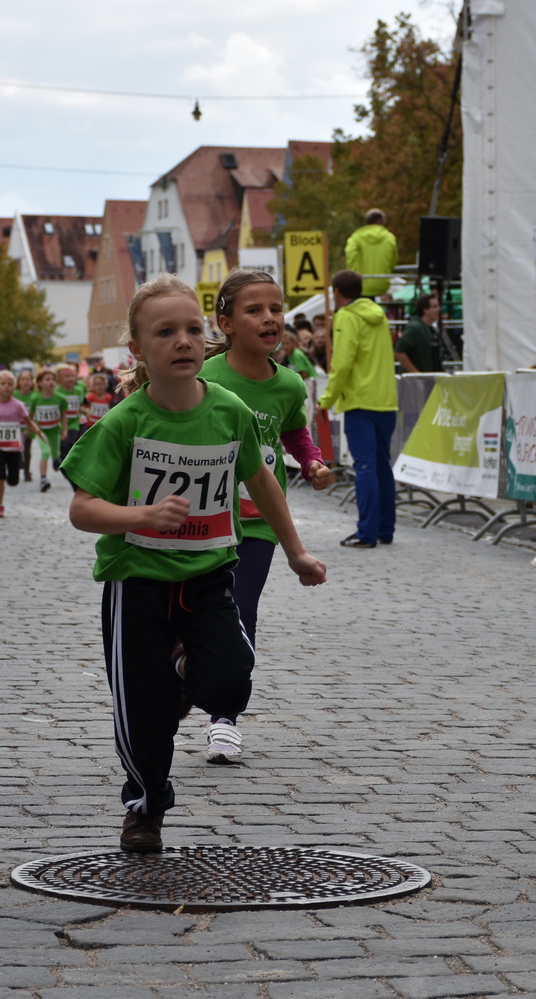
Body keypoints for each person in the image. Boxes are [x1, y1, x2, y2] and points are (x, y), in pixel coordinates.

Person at [59, 274, 327, 852]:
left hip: (208, 574)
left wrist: (296, 551)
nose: (182, 341)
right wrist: (141, 516)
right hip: (138, 580)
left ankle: (185, 672)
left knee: (230, 680)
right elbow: (82, 508)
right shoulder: (125, 422)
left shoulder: (228, 410)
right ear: (138, 350)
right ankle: (145, 806)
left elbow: (263, 480)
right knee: (143, 710)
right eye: (165, 332)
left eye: (191, 329)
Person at [200, 269, 336, 763]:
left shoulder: (290, 384)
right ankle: (184, 674)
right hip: (203, 519)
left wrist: (313, 462)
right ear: (226, 323)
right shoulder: (206, 377)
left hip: (259, 521)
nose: (270, 318)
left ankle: (225, 719)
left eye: (276, 309)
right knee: (195, 611)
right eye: (254, 310)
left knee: (242, 610)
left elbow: (295, 432)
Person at [318, 269, 399, 548]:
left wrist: (327, 399)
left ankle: (366, 533)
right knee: (382, 467)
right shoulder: (378, 314)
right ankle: (385, 530)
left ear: (337, 292)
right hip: (386, 401)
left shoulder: (346, 316)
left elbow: (342, 363)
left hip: (359, 403)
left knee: (365, 468)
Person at [0, 371, 41, 518]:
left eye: (10, 384)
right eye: (3, 384)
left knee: (13, 480)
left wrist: (39, 433)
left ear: (14, 387)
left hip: (14, 447)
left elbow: (28, 422)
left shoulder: (18, 405)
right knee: (0, 476)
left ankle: (12, 478)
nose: (6, 387)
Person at [28, 367, 67, 492]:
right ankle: (43, 479)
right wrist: (29, 430)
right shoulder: (35, 398)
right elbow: (29, 417)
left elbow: (63, 416)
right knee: (45, 452)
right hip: (41, 431)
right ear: (40, 383)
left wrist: (65, 430)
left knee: (55, 454)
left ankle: (56, 459)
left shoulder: (60, 398)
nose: (51, 382)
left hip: (55, 430)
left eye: (53, 380)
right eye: (47, 379)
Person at [344, 209, 399, 299]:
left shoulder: (356, 237)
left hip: (361, 282)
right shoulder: (389, 237)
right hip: (382, 284)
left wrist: (354, 272)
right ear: (380, 221)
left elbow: (350, 255)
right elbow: (394, 260)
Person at [395, 293, 443, 374]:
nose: (439, 309)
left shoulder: (431, 329)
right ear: (425, 310)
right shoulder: (414, 328)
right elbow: (399, 352)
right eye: (435, 307)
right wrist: (416, 373)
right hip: (417, 379)